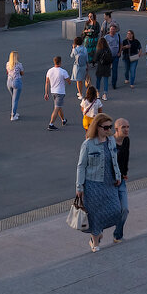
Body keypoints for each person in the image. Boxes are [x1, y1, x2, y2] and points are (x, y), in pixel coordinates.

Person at [74, 114, 126, 252]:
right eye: (106, 127)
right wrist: (79, 186)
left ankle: (98, 232)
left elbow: (114, 160)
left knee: (116, 210)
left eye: (110, 126)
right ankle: (95, 241)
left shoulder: (111, 141)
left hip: (110, 181)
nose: (109, 129)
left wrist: (118, 175)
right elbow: (81, 166)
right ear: (97, 127)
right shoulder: (88, 144)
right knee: (95, 215)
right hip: (93, 184)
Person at [113, 118, 131, 243]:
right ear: (116, 129)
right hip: (110, 182)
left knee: (124, 209)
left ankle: (117, 235)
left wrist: (124, 173)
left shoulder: (126, 140)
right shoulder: (109, 143)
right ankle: (97, 235)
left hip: (121, 180)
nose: (126, 130)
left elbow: (126, 158)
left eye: (128, 127)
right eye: (123, 127)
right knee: (107, 210)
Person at [44, 56, 70, 131]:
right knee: (56, 108)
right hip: (60, 92)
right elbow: (69, 81)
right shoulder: (63, 71)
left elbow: (47, 82)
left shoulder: (49, 71)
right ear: (60, 62)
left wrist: (46, 93)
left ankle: (63, 120)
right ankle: (51, 124)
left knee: (58, 107)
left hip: (53, 92)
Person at [5, 51, 24, 121]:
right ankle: (13, 115)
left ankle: (14, 112)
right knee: (15, 99)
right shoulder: (19, 64)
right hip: (17, 81)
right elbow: (22, 73)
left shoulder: (7, 64)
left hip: (9, 81)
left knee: (13, 98)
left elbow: (7, 72)